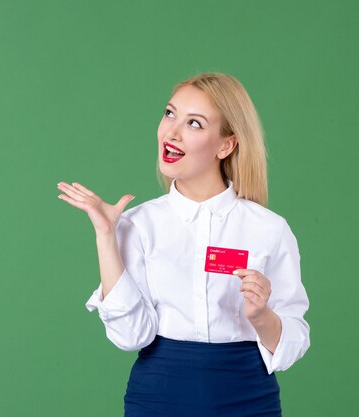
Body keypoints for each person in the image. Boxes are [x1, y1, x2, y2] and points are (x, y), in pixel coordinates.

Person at [56, 72, 310, 417]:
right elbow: (131, 336)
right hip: (159, 396)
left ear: (226, 144)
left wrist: (261, 315)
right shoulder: (137, 224)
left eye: (194, 123)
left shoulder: (268, 229)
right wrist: (106, 236)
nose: (171, 131)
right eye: (170, 113)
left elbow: (295, 339)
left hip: (249, 397)